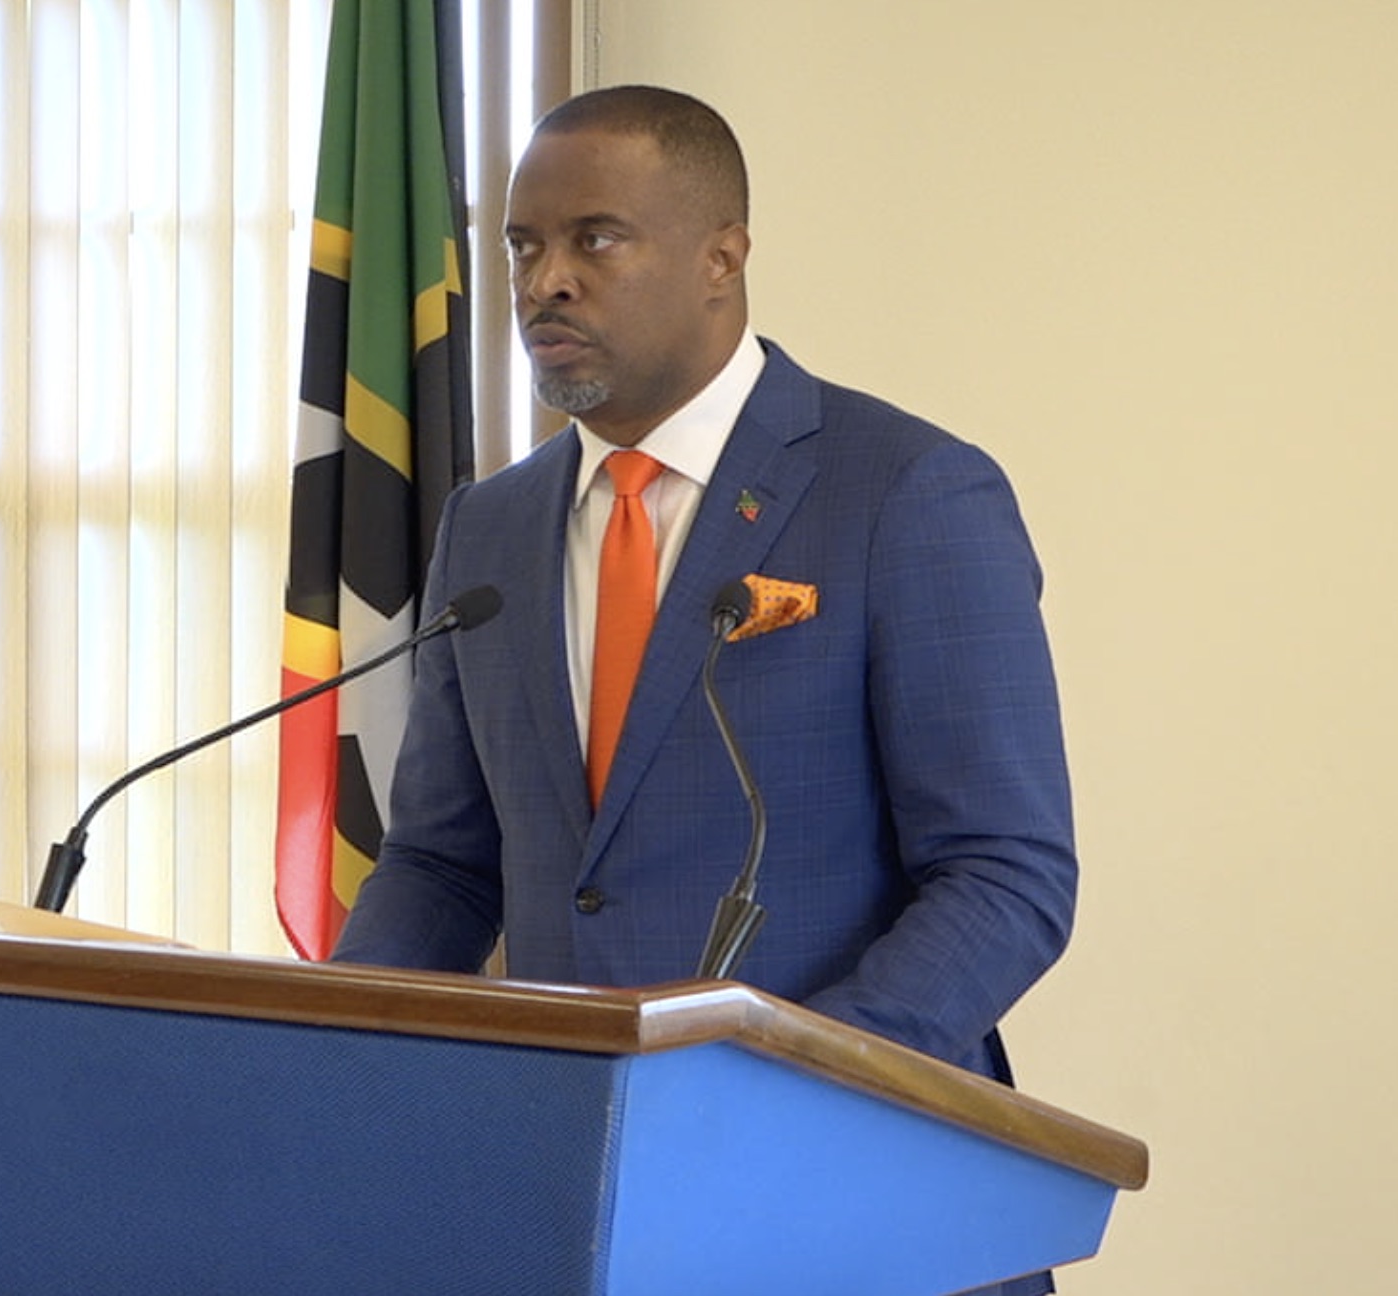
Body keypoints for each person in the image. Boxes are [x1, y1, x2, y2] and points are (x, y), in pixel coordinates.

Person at [330, 87, 1075, 1292]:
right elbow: (445, 865)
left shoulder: (906, 492)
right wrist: (333, 1046)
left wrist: (794, 1083)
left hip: (853, 1193)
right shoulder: (490, 526)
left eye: (595, 239)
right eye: (522, 245)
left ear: (721, 257)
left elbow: (1005, 875)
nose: (544, 281)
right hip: (575, 1200)